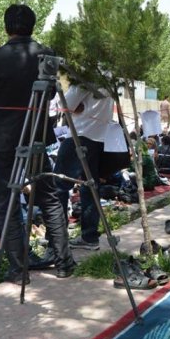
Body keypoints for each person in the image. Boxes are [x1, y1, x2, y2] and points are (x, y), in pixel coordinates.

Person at [0, 4, 75, 283]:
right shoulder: (46, 53)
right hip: (36, 135)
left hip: (4, 139)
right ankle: (63, 262)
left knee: (7, 203)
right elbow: (51, 93)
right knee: (49, 197)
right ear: (32, 25)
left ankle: (19, 271)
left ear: (7, 27)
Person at [55, 84, 113, 251]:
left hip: (80, 134)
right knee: (90, 187)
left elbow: (65, 103)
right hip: (99, 137)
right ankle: (89, 236)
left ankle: (56, 238)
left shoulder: (86, 75)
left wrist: (78, 107)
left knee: (59, 185)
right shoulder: (109, 75)